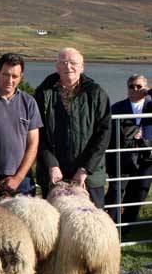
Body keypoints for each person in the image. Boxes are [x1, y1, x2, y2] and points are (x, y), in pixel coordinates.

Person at [34, 47, 111, 207]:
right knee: (55, 223)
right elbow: (37, 133)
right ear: (57, 67)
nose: (68, 67)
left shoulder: (96, 93)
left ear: (82, 67)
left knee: (92, 222)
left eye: (73, 63)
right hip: (54, 173)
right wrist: (51, 164)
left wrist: (85, 169)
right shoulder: (43, 93)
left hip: (89, 175)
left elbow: (103, 134)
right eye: (63, 62)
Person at [0, 53, 42, 195]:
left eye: (15, 76)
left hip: (22, 180)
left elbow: (33, 143)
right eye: (5, 75)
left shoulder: (29, 103)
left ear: (21, 77)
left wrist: (18, 178)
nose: (9, 80)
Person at [104, 75, 152, 229]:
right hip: (122, 158)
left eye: (139, 86)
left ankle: (126, 228)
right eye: (131, 86)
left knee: (138, 194)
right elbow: (109, 137)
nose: (135, 89)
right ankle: (108, 225)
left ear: (145, 88)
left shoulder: (151, 106)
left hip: (146, 159)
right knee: (116, 192)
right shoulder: (117, 108)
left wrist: (150, 92)